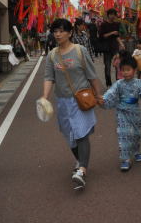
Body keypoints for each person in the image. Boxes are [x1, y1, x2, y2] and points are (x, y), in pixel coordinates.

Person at [42, 18, 103, 190]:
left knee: (81, 133)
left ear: (70, 33)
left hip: (80, 99)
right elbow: (48, 77)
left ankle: (82, 170)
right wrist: (45, 97)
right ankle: (80, 161)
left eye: (61, 31)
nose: (58, 34)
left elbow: (91, 74)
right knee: (70, 136)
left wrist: (98, 95)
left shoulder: (79, 51)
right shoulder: (52, 55)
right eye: (55, 31)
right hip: (62, 101)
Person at [102, 53, 141, 171]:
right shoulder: (118, 84)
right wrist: (102, 100)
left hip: (135, 112)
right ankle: (125, 158)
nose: (125, 72)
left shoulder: (139, 83)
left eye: (128, 70)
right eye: (123, 70)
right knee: (124, 134)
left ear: (134, 70)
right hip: (122, 112)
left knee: (136, 134)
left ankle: (136, 150)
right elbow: (110, 94)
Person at [99, 8, 121, 87]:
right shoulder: (103, 25)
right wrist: (112, 33)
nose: (113, 16)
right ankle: (109, 84)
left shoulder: (116, 24)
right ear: (108, 15)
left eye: (114, 15)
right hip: (107, 48)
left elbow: (117, 36)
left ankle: (118, 83)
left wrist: (121, 44)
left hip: (115, 47)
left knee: (118, 66)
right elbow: (102, 36)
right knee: (107, 67)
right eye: (111, 14)